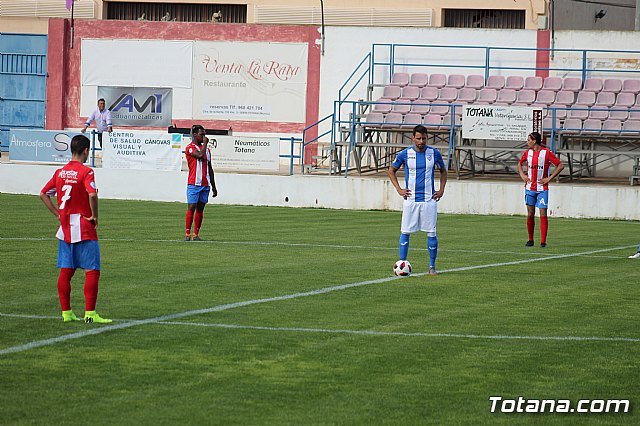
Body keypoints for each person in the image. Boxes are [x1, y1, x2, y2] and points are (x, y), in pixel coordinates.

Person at [39, 135, 111, 323]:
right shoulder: (86, 172)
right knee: (92, 270)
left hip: (65, 228)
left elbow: (43, 194)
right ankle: (90, 314)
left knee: (66, 271)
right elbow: (93, 194)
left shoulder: (60, 172)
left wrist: (57, 213)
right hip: (84, 227)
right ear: (86, 151)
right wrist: (95, 216)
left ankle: (66, 313)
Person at [388, 125, 447, 275]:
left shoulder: (434, 154)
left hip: (429, 200)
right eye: (418, 138)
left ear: (427, 138)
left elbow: (443, 171)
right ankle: (402, 262)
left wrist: (441, 190)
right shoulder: (405, 154)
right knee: (405, 231)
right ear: (412, 138)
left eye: (424, 138)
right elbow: (391, 170)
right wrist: (399, 189)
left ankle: (432, 267)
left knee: (431, 232)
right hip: (411, 200)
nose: (421, 141)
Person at [517, 131, 565, 248]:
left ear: (534, 141)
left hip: (542, 189)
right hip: (529, 188)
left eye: (529, 140)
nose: (527, 142)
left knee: (543, 213)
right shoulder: (528, 153)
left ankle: (543, 241)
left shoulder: (546, 153)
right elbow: (519, 164)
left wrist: (549, 178)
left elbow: (560, 165)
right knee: (530, 214)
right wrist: (523, 176)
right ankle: (530, 240)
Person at [184, 124, 218, 241]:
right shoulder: (190, 147)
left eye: (204, 134)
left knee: (200, 208)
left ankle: (196, 235)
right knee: (191, 207)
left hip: (205, 184)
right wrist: (206, 143)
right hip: (194, 183)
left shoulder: (207, 151)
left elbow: (210, 168)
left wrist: (214, 186)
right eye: (201, 134)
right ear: (195, 135)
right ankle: (187, 234)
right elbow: (199, 155)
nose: (204, 137)